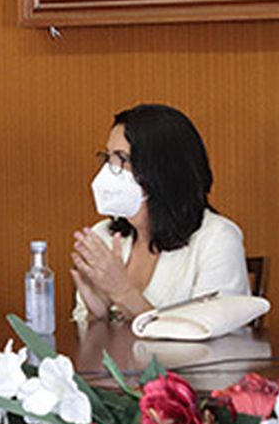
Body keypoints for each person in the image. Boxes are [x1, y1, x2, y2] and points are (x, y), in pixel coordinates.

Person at [71, 103, 250, 323]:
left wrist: (124, 294)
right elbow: (86, 347)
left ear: (162, 170)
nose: (109, 170)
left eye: (122, 159)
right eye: (108, 158)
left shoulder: (217, 239)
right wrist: (97, 316)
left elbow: (211, 337)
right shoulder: (104, 236)